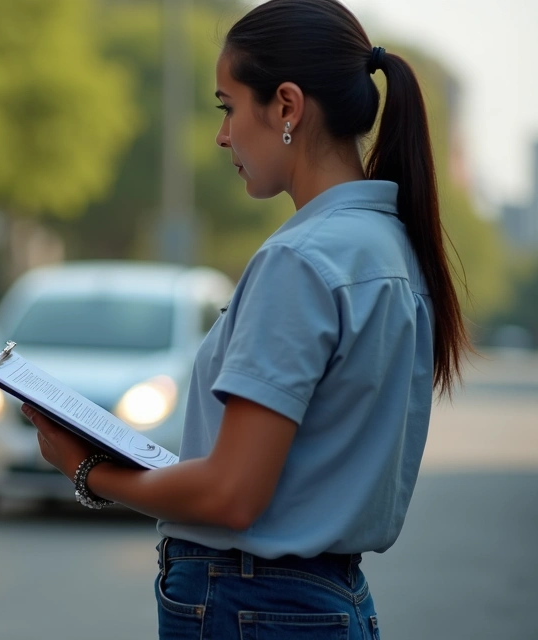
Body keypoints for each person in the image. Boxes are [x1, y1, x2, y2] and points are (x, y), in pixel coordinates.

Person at [24, 0, 469, 637]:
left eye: (227, 107)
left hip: (253, 603)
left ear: (286, 106)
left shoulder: (301, 259)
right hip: (324, 600)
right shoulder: (389, 246)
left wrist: (89, 472)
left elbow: (232, 495)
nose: (222, 135)